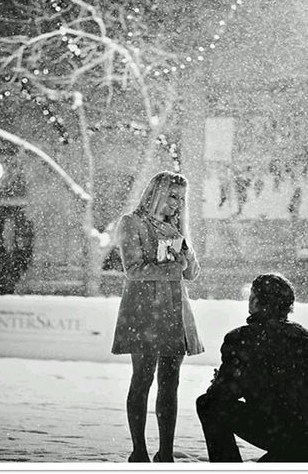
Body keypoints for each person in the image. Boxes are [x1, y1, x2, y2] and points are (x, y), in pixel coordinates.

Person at [112, 171, 204, 463]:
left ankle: (166, 452)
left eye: (182, 198)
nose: (178, 203)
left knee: (170, 383)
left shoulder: (176, 229)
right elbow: (133, 269)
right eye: (173, 196)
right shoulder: (131, 223)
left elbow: (191, 273)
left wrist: (186, 257)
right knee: (142, 379)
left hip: (175, 312)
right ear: (156, 193)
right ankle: (138, 450)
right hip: (144, 311)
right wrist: (172, 268)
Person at [196, 273, 308, 463]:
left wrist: (221, 381)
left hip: (280, 430)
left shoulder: (241, 339)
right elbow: (302, 387)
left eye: (252, 296)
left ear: (255, 301)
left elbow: (223, 395)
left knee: (208, 405)